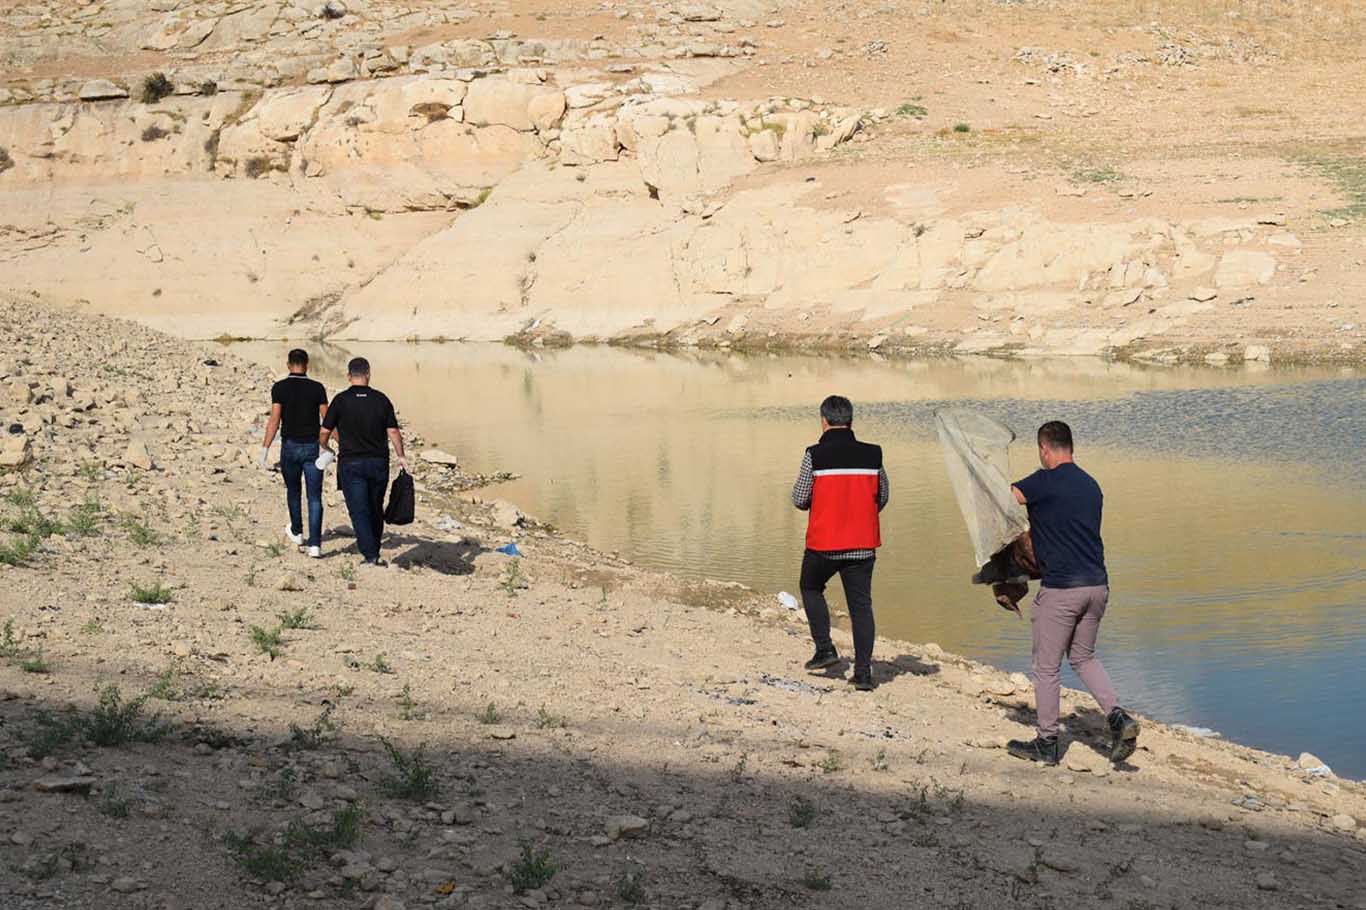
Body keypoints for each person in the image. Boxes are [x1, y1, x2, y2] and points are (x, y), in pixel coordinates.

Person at [1006, 421, 1139, 765]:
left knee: (1047, 668)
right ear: (1071, 448)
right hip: (1097, 586)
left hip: (1061, 590)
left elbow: (1004, 499)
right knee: (1083, 657)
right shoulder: (1091, 485)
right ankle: (1117, 717)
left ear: (1044, 450)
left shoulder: (1043, 481)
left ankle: (1047, 742)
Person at [791, 395, 889, 691]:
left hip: (824, 543)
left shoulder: (814, 455)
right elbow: (881, 496)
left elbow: (799, 498)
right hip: (862, 544)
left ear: (824, 421)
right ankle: (863, 674)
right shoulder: (873, 455)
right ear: (851, 421)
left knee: (810, 587)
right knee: (861, 606)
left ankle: (825, 649)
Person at [318, 357, 407, 567]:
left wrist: (326, 447)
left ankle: (370, 555)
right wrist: (401, 456)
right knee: (375, 507)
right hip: (378, 462)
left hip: (351, 463)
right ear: (368, 374)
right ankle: (373, 549)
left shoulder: (340, 400)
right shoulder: (381, 399)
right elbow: (393, 431)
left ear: (349, 376)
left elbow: (324, 431)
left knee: (359, 509)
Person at [259, 349, 328, 558]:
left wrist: (265, 448)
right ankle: (315, 545)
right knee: (315, 497)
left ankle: (297, 532)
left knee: (293, 490)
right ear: (307, 364)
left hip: (289, 446)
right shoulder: (317, 388)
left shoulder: (279, 388)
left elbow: (274, 420)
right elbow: (328, 420)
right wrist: (337, 445)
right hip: (313, 447)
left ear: (289, 365)